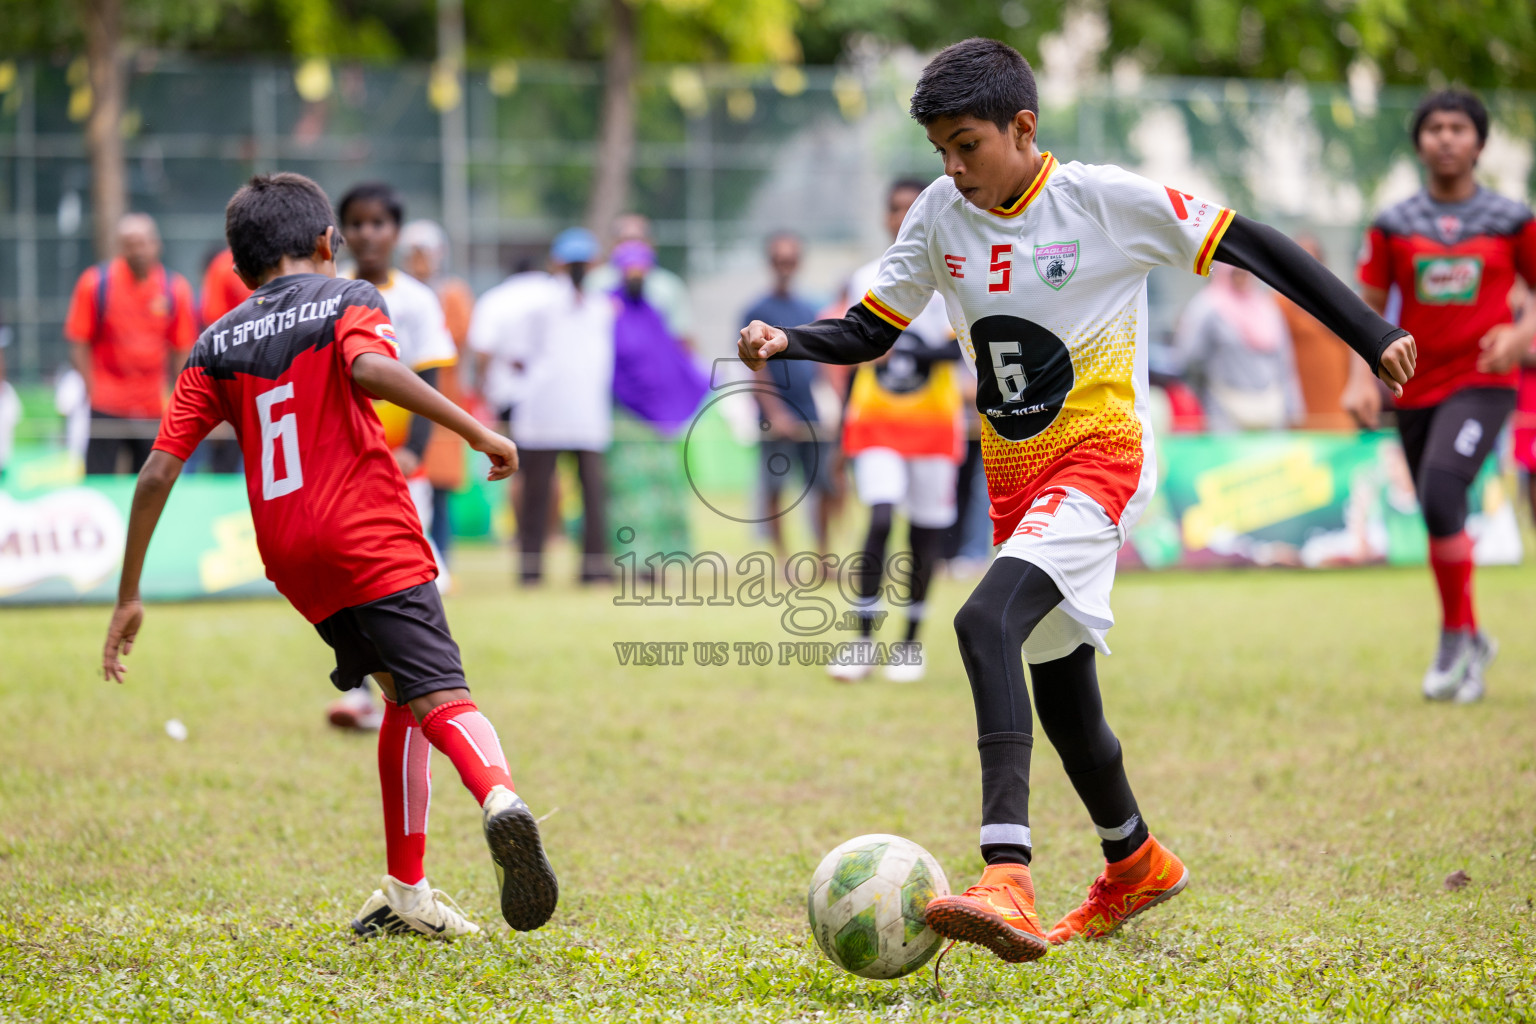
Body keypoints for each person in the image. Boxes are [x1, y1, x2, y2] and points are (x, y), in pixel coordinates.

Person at [740, 38, 1415, 965]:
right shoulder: (942, 212)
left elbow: (1252, 244)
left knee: (983, 624)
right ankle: (1134, 857)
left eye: (966, 144)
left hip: (1102, 463)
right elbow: (869, 326)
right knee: (1064, 693)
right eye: (939, 148)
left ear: (1024, 128)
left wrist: (1372, 331)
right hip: (1017, 482)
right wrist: (790, 341)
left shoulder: (1103, 201)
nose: (950, 167)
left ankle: (1006, 875)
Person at [99, 172, 558, 940]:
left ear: (240, 268)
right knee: (441, 690)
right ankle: (503, 800)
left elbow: (156, 469)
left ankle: (406, 893)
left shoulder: (215, 341)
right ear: (326, 243)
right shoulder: (350, 299)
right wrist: (478, 431)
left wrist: (129, 594)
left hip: (290, 555)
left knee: (402, 699)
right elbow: (371, 369)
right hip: (367, 529)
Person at [1346, 89, 1536, 704]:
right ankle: (1474, 640)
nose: (1447, 137)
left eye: (1459, 128)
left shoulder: (1512, 219)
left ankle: (1454, 636)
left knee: (1442, 489)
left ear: (1479, 143)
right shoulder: (1394, 224)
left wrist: (1520, 333)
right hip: (1414, 384)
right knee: (1437, 511)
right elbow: (1364, 308)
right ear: (1420, 142)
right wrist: (1358, 378)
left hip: (1484, 382)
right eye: (1435, 127)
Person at [327, 183, 459, 732]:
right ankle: (365, 694)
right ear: (339, 234)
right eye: (356, 224)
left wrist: (413, 450)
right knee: (350, 579)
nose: (367, 234)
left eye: (378, 223)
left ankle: (420, 687)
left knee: (409, 577)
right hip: (340, 463)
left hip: (401, 466)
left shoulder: (417, 300)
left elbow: (430, 383)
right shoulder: (326, 294)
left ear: (396, 232)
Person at [831, 178, 965, 684]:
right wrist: (840, 427)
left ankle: (908, 646)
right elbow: (847, 346)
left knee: (925, 533)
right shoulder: (866, 276)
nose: (902, 216)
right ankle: (862, 641)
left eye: (912, 207)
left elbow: (966, 347)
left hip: (932, 422)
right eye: (895, 208)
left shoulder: (956, 276)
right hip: (877, 420)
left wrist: (913, 351)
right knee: (881, 517)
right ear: (886, 217)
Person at [513, 228, 614, 585]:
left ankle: (594, 570)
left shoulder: (602, 307)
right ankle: (530, 571)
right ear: (557, 263)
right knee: (537, 497)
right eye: (572, 262)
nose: (578, 269)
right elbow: (518, 356)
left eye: (583, 262)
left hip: (588, 414)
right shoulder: (539, 305)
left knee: (594, 496)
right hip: (544, 413)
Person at [65, 213, 197, 474]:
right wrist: (92, 389)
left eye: (143, 242)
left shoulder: (175, 289)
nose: (138, 250)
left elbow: (182, 348)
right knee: (99, 480)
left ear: (156, 244)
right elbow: (79, 341)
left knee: (150, 481)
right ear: (119, 247)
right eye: (129, 243)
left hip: (152, 405)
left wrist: (176, 397)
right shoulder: (95, 284)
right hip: (106, 403)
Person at [606, 239, 709, 564]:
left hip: (658, 419)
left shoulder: (653, 313)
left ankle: (662, 560)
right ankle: (628, 559)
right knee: (627, 492)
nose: (636, 275)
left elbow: (668, 359)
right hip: (622, 417)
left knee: (663, 489)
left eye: (642, 269)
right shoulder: (606, 310)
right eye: (630, 269)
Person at [740, 233, 838, 561]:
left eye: (791, 260)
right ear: (770, 263)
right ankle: (783, 560)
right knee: (775, 489)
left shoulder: (811, 307)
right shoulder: (755, 310)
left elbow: (825, 360)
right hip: (775, 417)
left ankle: (823, 557)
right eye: (779, 260)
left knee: (825, 485)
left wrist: (835, 404)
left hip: (811, 412)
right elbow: (754, 368)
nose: (785, 267)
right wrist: (774, 412)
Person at [401, 219, 475, 557]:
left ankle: (443, 562)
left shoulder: (451, 294)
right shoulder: (396, 292)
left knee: (441, 489)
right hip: (401, 403)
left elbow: (455, 340)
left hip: (442, 401)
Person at [1172, 264, 1302, 431]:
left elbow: (1284, 362)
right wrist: (1201, 396)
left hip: (1270, 411)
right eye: (1236, 273)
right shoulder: (1207, 307)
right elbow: (1188, 358)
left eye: (1246, 273)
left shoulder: (1266, 307)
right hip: (1224, 412)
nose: (1242, 278)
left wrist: (1293, 408)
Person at [1277, 234, 1355, 430]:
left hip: (1341, 407)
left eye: (1312, 261)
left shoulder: (1339, 302)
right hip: (1303, 412)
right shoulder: (1279, 304)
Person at [587, 214, 691, 343]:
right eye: (625, 241)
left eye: (639, 240)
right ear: (612, 244)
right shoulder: (595, 283)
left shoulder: (669, 286)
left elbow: (682, 336)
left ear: (651, 244)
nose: (632, 246)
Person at [194, 247, 253, 473]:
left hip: (281, 388)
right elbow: (214, 333)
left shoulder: (288, 263)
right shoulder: (222, 267)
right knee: (225, 464)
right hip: (234, 388)